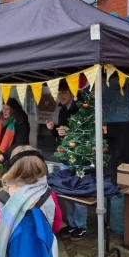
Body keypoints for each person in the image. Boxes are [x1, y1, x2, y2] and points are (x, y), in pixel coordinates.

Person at [46, 79, 87, 239]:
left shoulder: (81, 109)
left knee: (78, 190)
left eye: (64, 93)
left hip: (79, 157)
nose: (61, 96)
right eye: (59, 93)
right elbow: (61, 134)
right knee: (66, 190)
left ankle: (81, 225)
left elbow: (86, 135)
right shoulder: (62, 110)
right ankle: (72, 224)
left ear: (72, 93)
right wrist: (53, 129)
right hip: (65, 157)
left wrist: (69, 132)